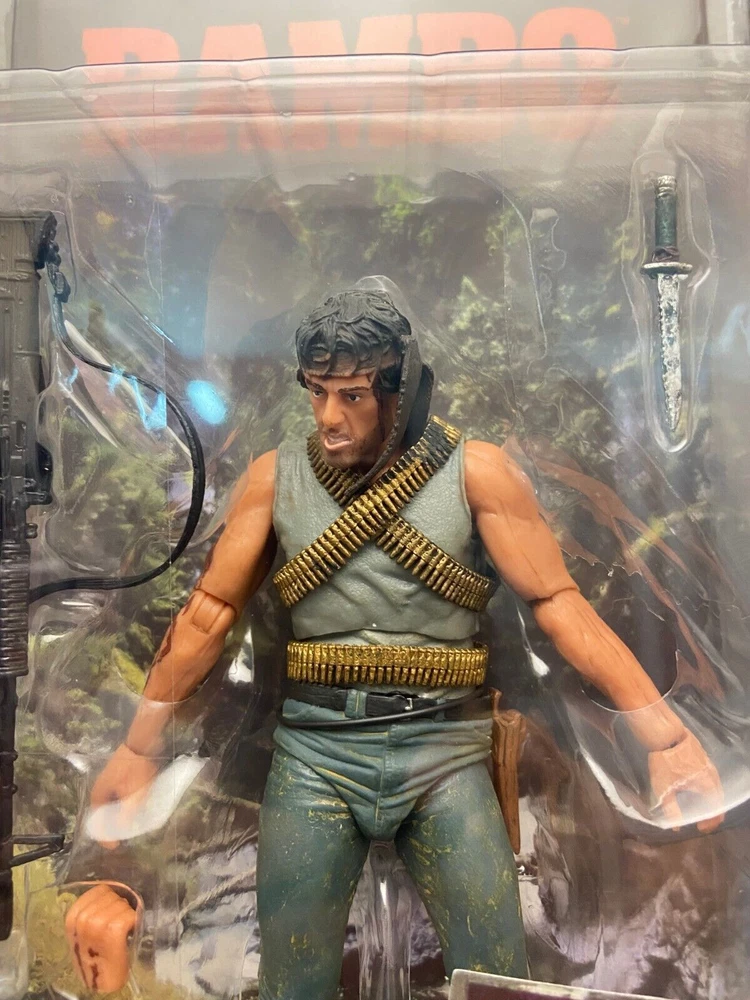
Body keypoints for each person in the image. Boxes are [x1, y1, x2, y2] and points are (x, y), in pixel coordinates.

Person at [65, 289, 724, 999]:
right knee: (292, 978)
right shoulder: (275, 478)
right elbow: (208, 616)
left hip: (444, 752)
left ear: (399, 393)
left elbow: (560, 607)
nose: (328, 417)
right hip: (316, 755)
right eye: (316, 392)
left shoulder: (476, 473)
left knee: (497, 971)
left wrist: (664, 737)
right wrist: (139, 748)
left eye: (351, 395)